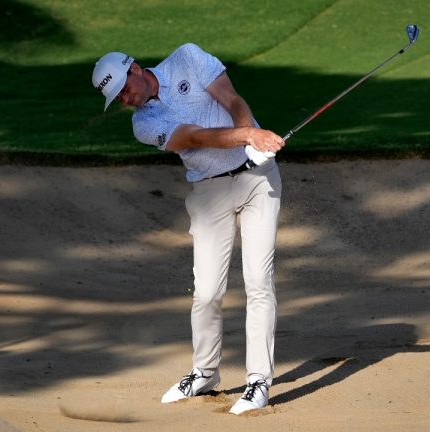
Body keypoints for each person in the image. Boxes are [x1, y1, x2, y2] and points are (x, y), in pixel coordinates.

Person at [92, 44, 285, 415]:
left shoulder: (187, 58)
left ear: (134, 68)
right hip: (209, 190)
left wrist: (251, 136)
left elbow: (231, 98)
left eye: (124, 90)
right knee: (208, 291)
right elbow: (195, 137)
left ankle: (259, 380)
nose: (126, 100)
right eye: (118, 99)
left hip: (258, 178)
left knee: (259, 281)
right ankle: (205, 373)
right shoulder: (143, 125)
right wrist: (248, 137)